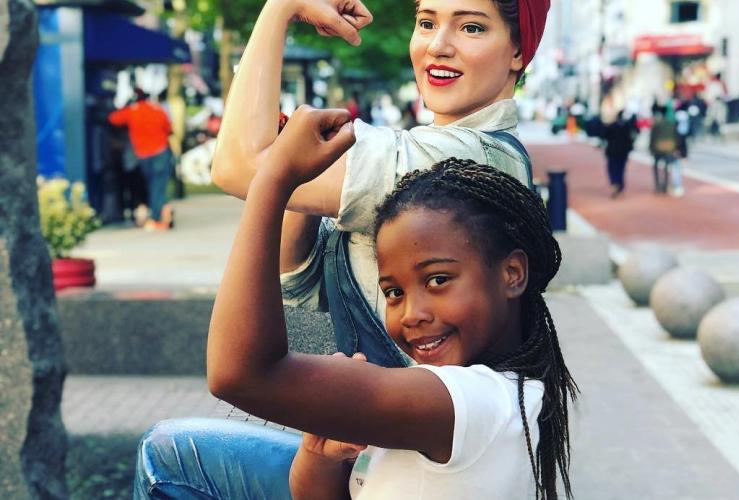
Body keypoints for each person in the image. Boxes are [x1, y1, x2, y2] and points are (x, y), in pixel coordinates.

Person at [135, 0, 554, 496]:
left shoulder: (451, 163)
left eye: (470, 26)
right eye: (426, 22)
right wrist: (293, 171)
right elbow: (303, 282)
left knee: (170, 457)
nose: (438, 45)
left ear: (518, 51)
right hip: (370, 452)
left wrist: (279, 9)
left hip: (406, 440)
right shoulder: (440, 154)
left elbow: (237, 168)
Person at [109, 88, 175, 231]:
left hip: (143, 155)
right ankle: (163, 215)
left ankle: (159, 219)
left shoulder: (132, 111)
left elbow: (113, 119)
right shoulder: (158, 110)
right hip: (161, 152)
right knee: (159, 187)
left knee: (152, 187)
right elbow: (169, 129)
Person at [601, 110, 637, 198]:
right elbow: (630, 139)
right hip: (622, 152)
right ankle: (619, 186)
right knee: (621, 169)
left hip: (613, 151)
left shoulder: (612, 126)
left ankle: (615, 184)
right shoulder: (627, 126)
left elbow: (605, 135)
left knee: (613, 168)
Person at [648, 108, 678, 195]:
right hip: (669, 147)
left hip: (658, 147)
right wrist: (675, 147)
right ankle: (665, 185)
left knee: (656, 167)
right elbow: (675, 136)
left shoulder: (657, 124)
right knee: (666, 167)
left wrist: (651, 148)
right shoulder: (671, 124)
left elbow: (652, 137)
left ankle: (657, 185)